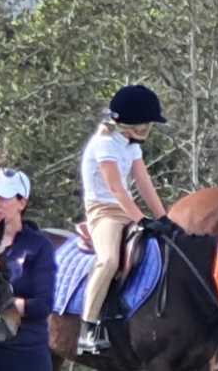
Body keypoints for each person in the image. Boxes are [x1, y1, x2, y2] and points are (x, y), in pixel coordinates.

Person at [77, 84, 172, 354]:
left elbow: (143, 182)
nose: (149, 128)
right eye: (147, 123)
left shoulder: (131, 146)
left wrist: (164, 217)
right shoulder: (104, 144)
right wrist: (140, 219)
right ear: (135, 124)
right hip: (103, 211)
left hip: (126, 210)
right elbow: (116, 188)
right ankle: (88, 327)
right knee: (108, 260)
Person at [0, 168, 56, 371]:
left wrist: (3, 303)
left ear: (22, 203)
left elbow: (43, 306)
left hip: (28, 354)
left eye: (2, 197)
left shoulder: (39, 246)